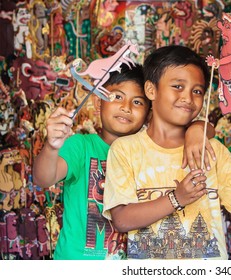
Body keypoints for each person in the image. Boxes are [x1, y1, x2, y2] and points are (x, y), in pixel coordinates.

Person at [32, 62, 216, 260]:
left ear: (148, 114)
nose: (126, 108)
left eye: (137, 102)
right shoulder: (81, 146)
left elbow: (202, 127)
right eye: (117, 96)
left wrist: (197, 129)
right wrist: (51, 147)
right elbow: (43, 178)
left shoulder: (153, 150)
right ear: (98, 101)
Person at [102, 45, 231, 260]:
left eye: (197, 91)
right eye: (178, 86)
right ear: (151, 90)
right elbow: (121, 219)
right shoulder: (126, 149)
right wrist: (176, 199)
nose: (188, 97)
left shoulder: (212, 149)